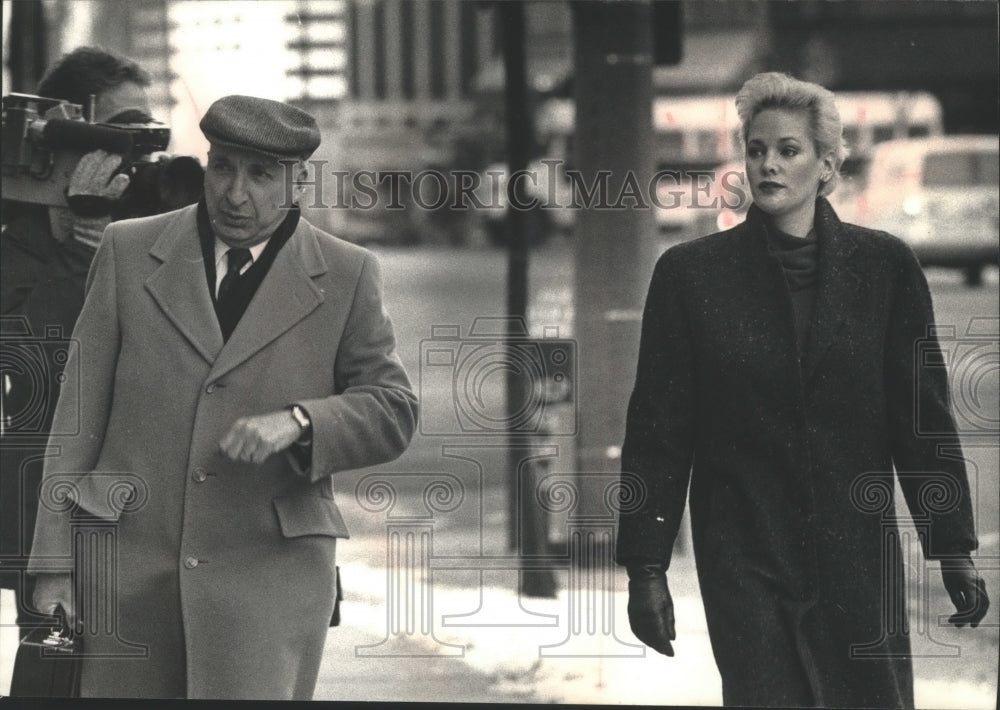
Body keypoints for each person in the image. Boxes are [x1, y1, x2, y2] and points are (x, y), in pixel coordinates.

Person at [615, 72, 989, 709]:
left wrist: (951, 546)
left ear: (826, 165)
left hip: (856, 551)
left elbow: (920, 418)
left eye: (788, 150)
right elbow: (658, 432)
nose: (768, 164)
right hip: (743, 550)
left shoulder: (885, 269)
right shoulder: (691, 276)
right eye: (756, 150)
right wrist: (645, 567)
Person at [27, 94, 418, 700]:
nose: (236, 194)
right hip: (128, 568)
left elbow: (393, 409)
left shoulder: (348, 273)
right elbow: (76, 417)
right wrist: (53, 563)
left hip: (268, 577)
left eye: (261, 175)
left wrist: (301, 422)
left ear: (298, 180)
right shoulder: (128, 250)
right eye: (223, 168)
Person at [1, 46, 156, 633]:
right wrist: (82, 247)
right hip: (56, 509)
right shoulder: (20, 239)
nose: (136, 156)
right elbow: (28, 355)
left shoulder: (157, 231)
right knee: (58, 665)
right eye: (120, 136)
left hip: (148, 504)